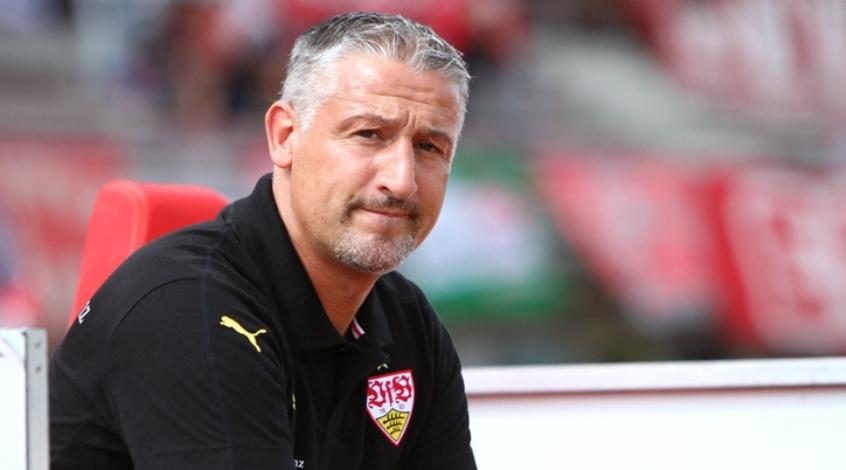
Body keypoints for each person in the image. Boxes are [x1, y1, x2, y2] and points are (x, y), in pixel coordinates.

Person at [49, 12, 476, 470]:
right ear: (284, 136)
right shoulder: (190, 310)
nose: (402, 181)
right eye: (369, 134)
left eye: (429, 147)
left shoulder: (407, 321)